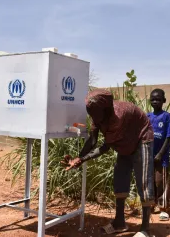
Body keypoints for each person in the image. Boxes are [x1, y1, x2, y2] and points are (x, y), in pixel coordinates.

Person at [62, 89, 155, 237]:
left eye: (93, 112)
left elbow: (104, 147)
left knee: (143, 182)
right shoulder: (98, 116)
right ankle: (119, 222)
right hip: (124, 143)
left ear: (104, 110)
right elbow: (92, 140)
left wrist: (83, 159)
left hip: (141, 139)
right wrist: (78, 158)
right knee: (119, 179)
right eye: (89, 112)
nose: (91, 116)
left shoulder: (117, 119)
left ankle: (145, 229)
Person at [147, 89, 170, 221]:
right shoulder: (148, 116)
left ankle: (163, 208)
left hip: (161, 158)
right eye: (153, 99)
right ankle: (151, 204)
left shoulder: (167, 117)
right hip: (149, 156)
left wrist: (160, 154)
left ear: (163, 101)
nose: (155, 101)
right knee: (151, 182)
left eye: (158, 99)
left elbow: (169, 136)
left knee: (161, 181)